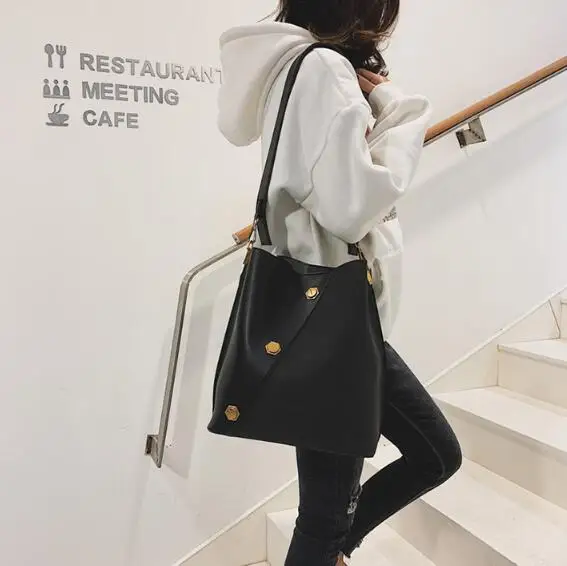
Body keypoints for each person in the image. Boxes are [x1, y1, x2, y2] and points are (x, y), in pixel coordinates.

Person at [217, 1, 462, 564]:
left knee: (426, 460)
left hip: (333, 319)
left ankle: (334, 551)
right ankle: (330, 549)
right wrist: (400, 111)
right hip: (330, 322)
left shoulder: (287, 67)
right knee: (331, 515)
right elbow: (351, 207)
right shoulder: (322, 68)